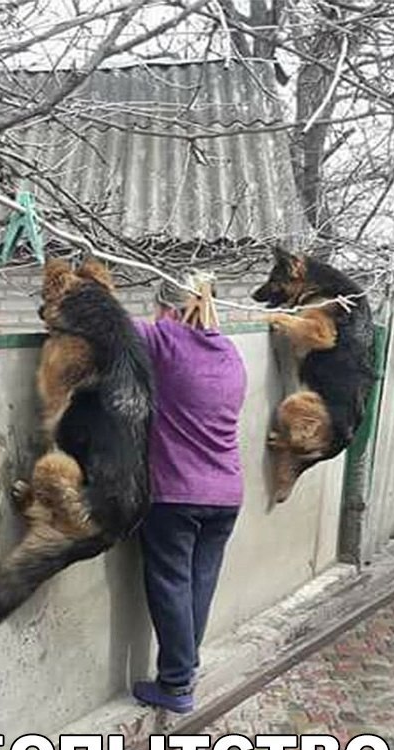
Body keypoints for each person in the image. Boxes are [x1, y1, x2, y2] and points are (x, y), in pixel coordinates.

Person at [131, 276, 248, 714]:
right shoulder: (231, 353)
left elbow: (100, 319)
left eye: (156, 310)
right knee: (199, 583)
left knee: (171, 583)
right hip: (226, 493)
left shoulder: (165, 340)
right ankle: (186, 670)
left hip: (176, 492)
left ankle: (177, 684)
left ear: (168, 311)